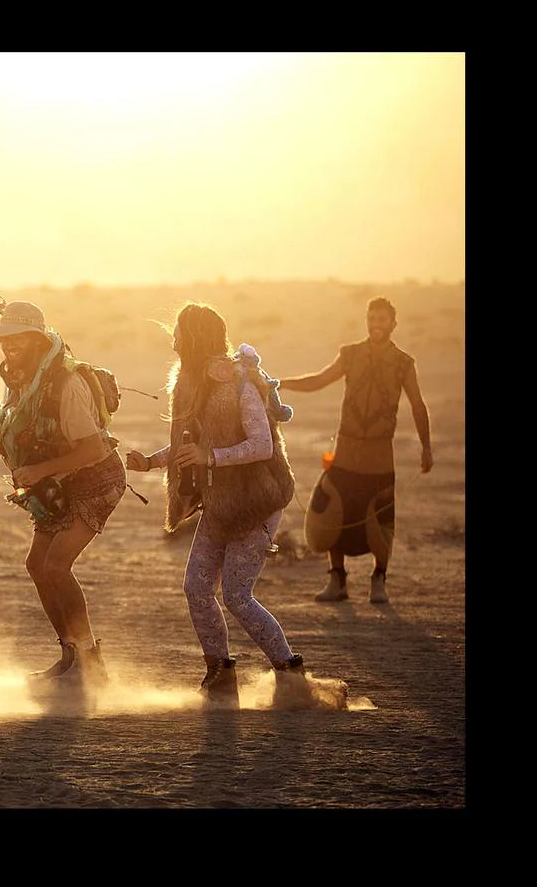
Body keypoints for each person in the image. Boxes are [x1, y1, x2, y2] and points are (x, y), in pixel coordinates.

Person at [124, 302, 323, 709]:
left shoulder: (239, 383)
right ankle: (220, 674)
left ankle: (290, 675)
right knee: (196, 586)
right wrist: (151, 462)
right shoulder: (192, 383)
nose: (173, 339)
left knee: (236, 594)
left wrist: (210, 457)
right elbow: (190, 446)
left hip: (256, 499)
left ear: (195, 336)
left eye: (179, 331)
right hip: (221, 502)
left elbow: (262, 445)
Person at [0, 302, 127, 692]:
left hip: (97, 480)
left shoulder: (66, 384)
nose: (10, 345)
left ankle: (91, 664)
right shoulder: (20, 380)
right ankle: (70, 656)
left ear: (38, 341)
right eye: (5, 338)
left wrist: (38, 471)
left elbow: (93, 449)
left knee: (56, 566)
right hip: (59, 483)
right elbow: (17, 429)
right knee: (36, 565)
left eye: (19, 338)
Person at [277, 295, 433, 604]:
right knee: (334, 510)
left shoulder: (404, 363)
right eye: (372, 319)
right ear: (367, 321)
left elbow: (417, 405)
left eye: (382, 319)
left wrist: (426, 447)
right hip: (346, 452)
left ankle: (379, 580)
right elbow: (319, 380)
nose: (376, 324)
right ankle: (337, 580)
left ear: (393, 324)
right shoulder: (351, 354)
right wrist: (281, 383)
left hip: (379, 457)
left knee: (381, 519)